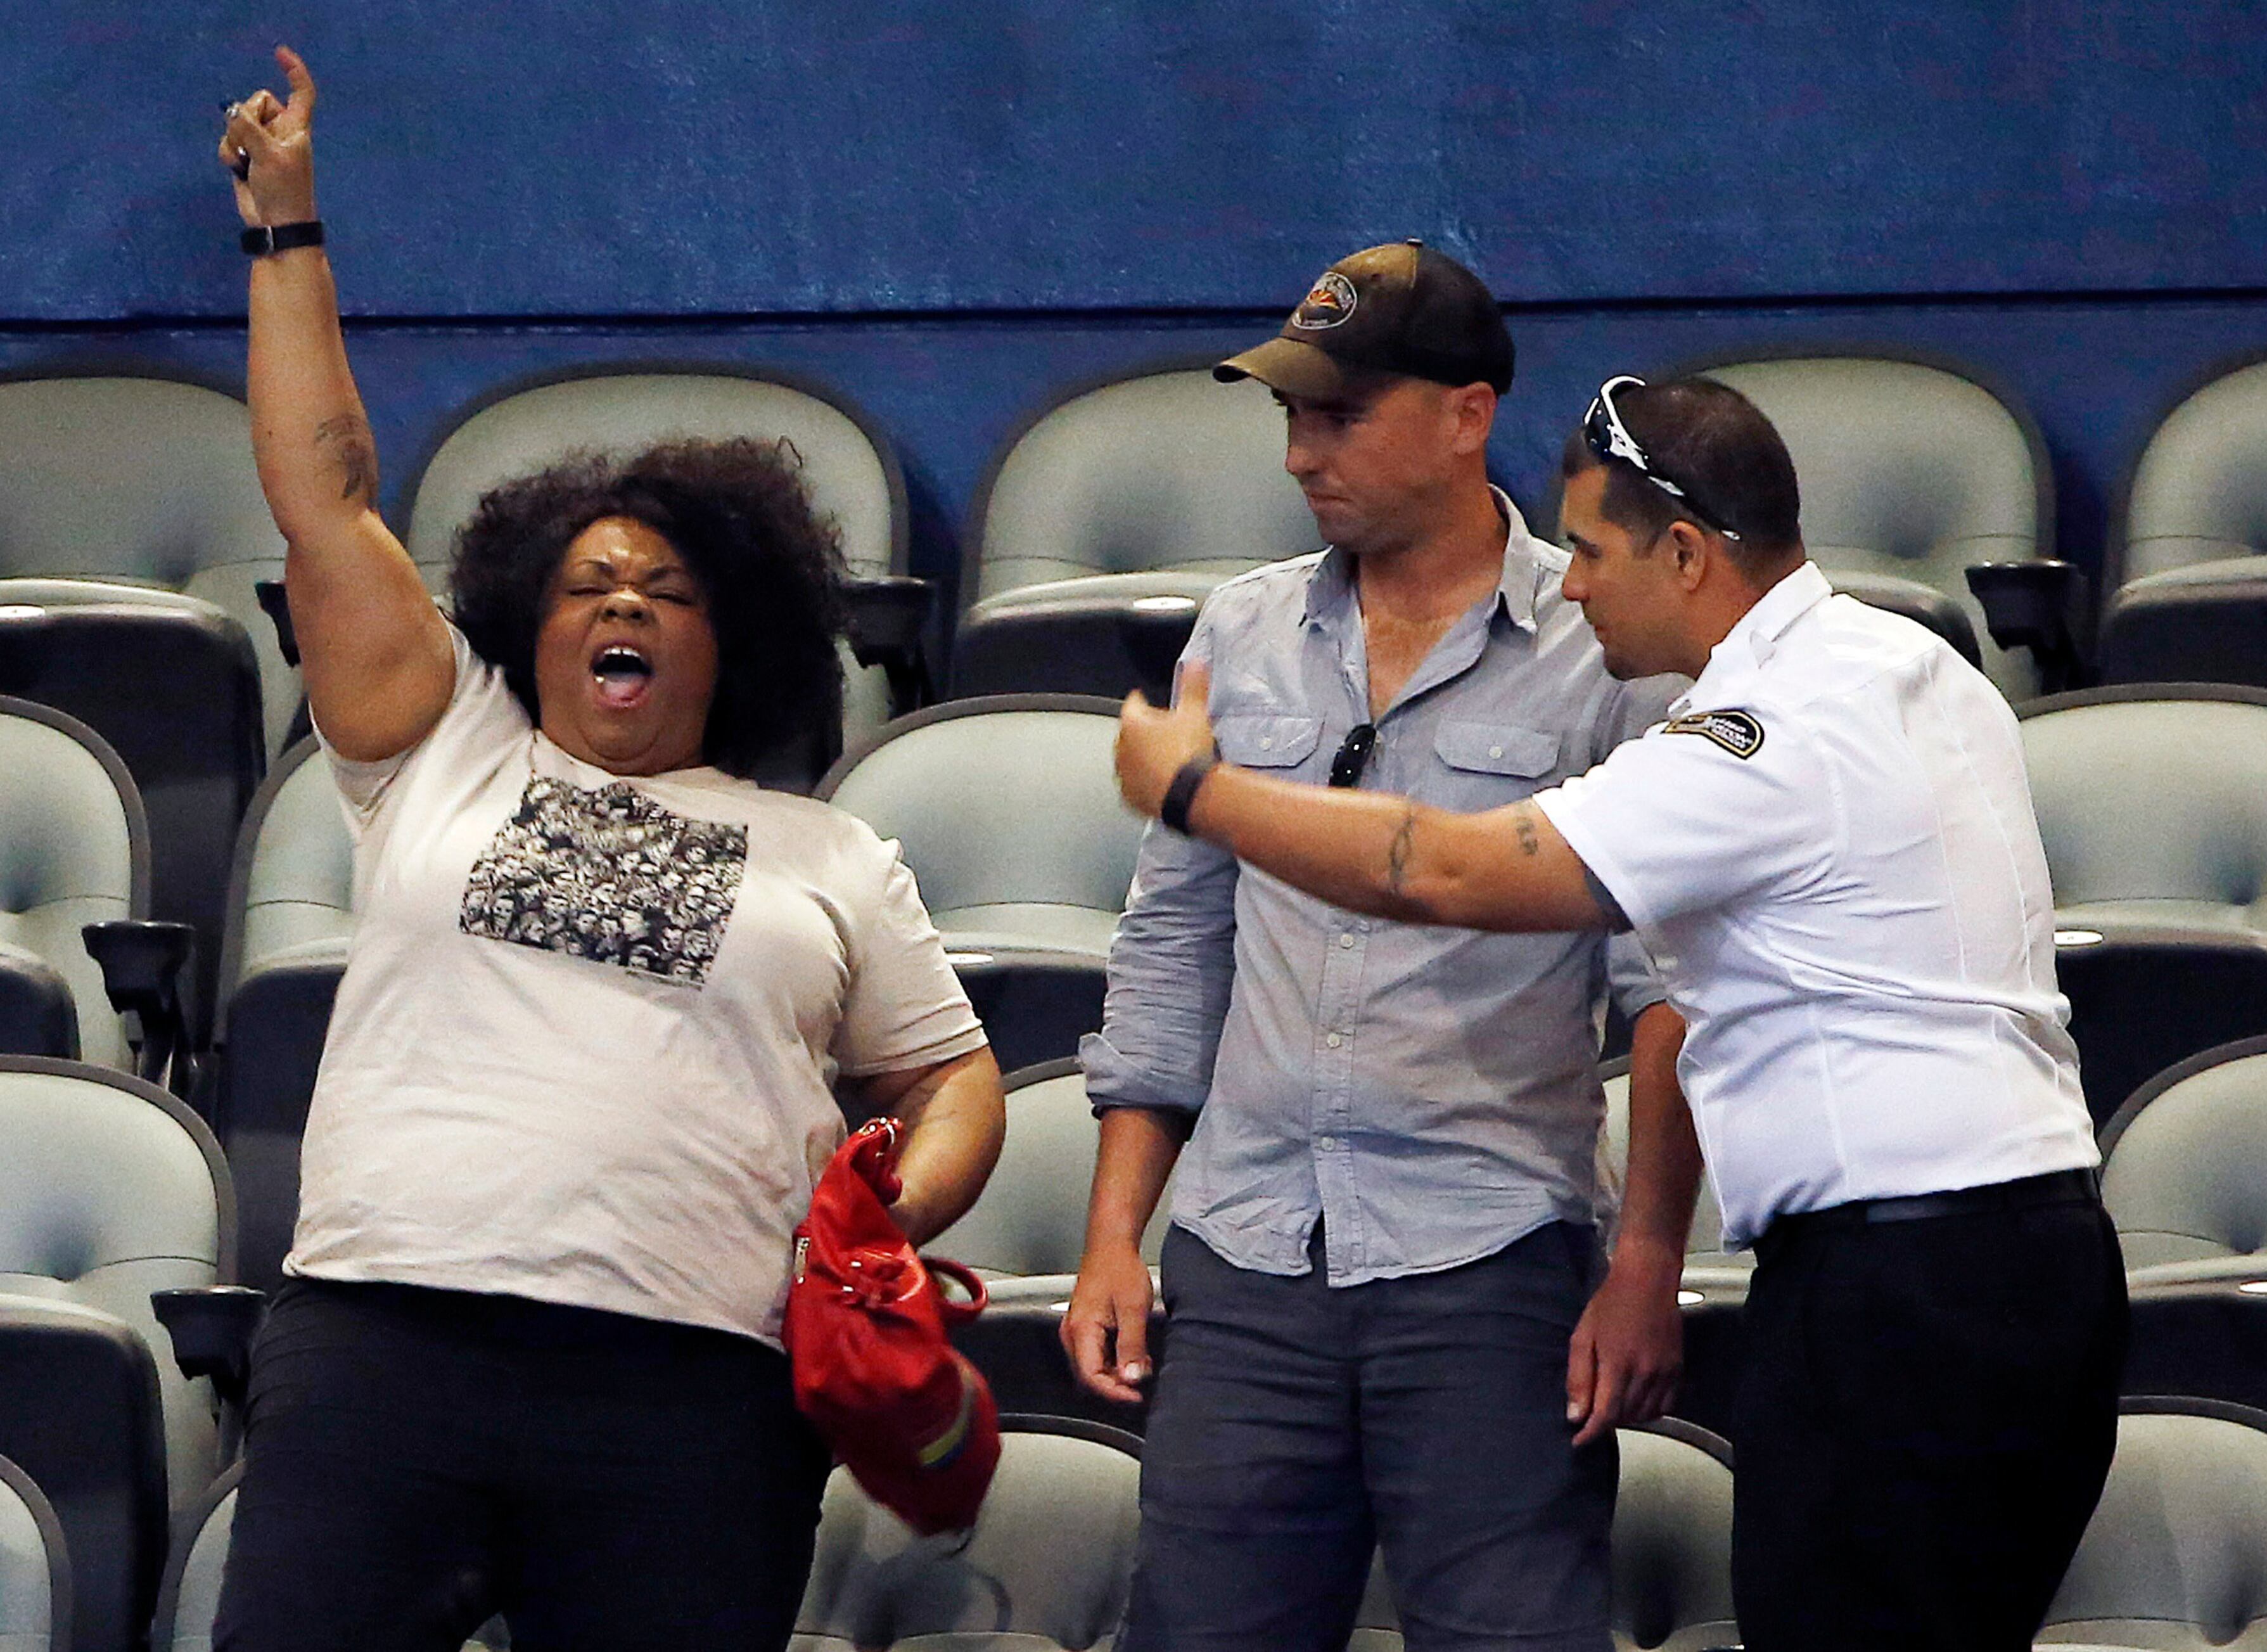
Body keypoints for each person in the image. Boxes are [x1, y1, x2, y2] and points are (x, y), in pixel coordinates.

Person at [1111, 372, 2129, 1652]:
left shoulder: (1758, 732)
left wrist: (1199, 787)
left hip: (1904, 1287)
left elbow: (1447, 868)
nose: (1573, 584)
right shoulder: (1916, 665)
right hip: (2038, 1255)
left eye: (1592, 550)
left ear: (1690, 553)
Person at [214, 50, 1006, 1652]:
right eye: (587, 584)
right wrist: (288, 236)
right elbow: (325, 500)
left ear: (741, 640)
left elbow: (953, 1081)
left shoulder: (831, 850)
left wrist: (883, 1222)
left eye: (667, 589)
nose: (625, 603)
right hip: (386, 1346)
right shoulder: (446, 745)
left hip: (691, 1390)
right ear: (531, 621)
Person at [1059, 241, 1690, 1652]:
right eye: (1289, 415)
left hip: (1492, 1263)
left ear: (1467, 414)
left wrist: (1646, 1257)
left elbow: (1667, 990)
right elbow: (1176, 945)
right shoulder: (1243, 627)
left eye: (1336, 414)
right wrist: (1116, 1239)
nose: (1299, 453)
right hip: (1244, 1259)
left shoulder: (1604, 649)